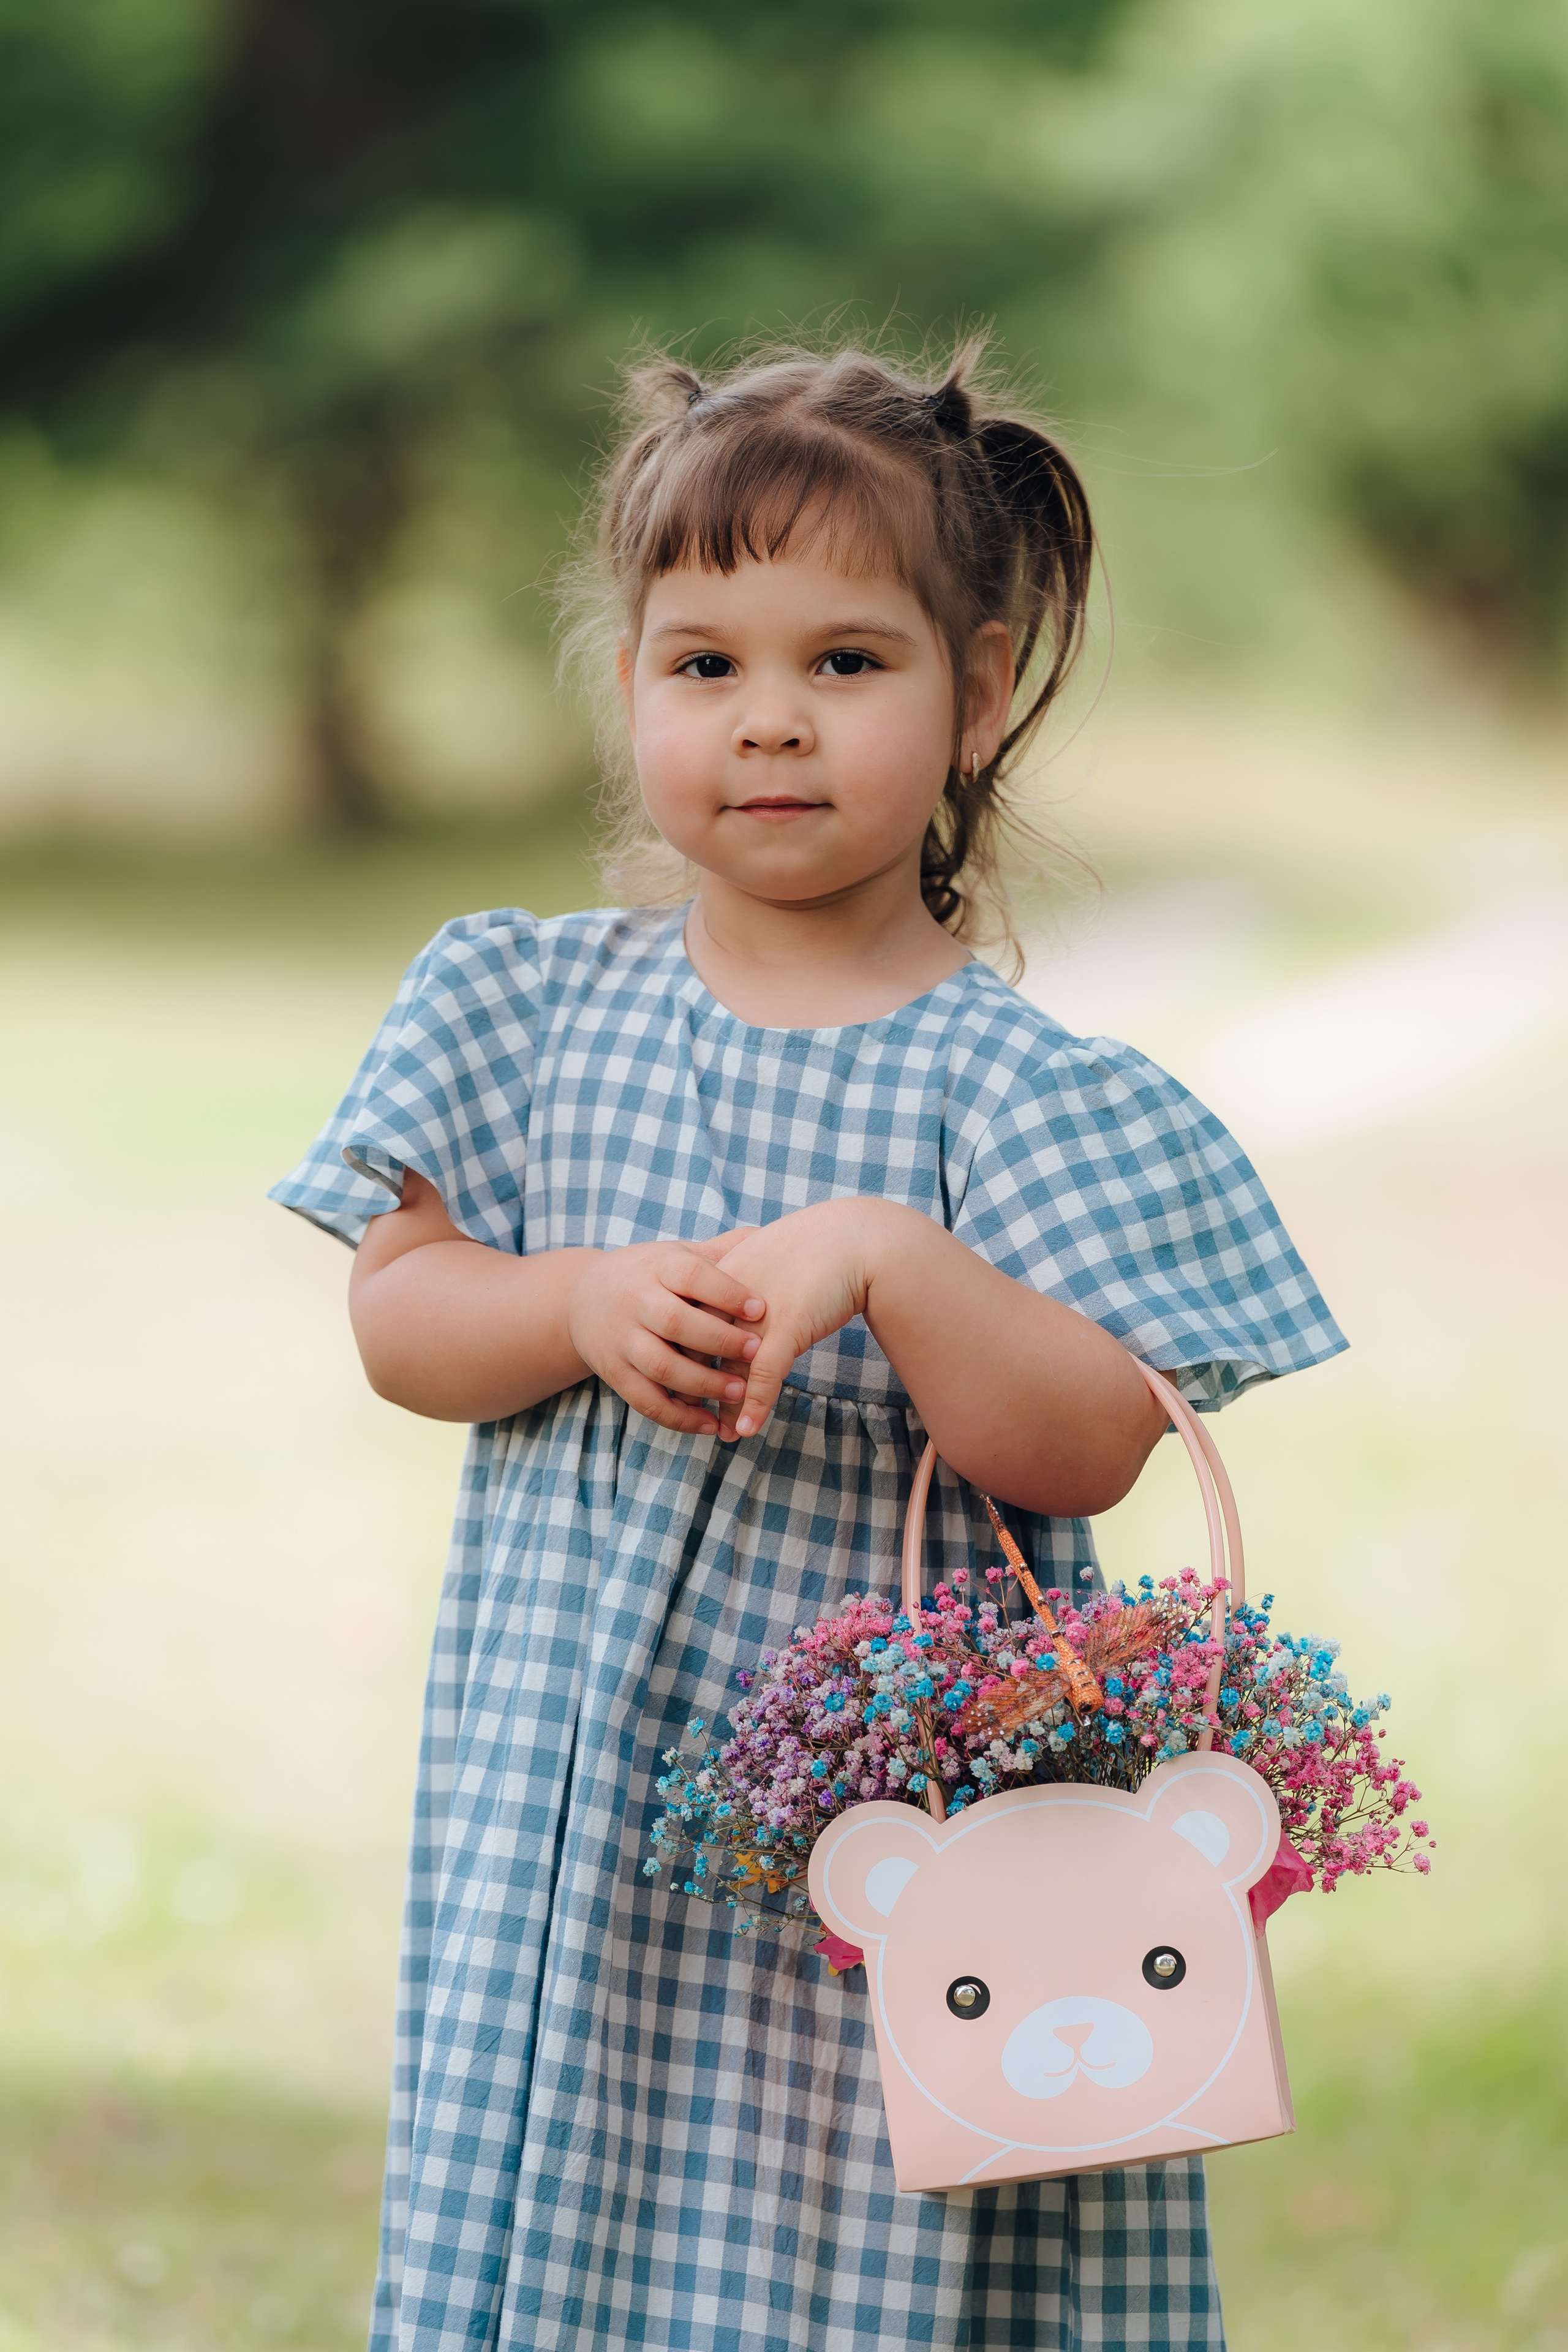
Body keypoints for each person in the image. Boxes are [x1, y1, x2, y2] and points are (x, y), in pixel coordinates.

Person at [271, 340, 1344, 2352]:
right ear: (632, 691)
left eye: (848, 664)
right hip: (580, 1796)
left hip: (907, 1842)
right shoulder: (525, 1008)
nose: (773, 722)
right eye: (709, 666)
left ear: (981, 693)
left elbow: (1086, 1443)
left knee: (850, 2228)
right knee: (581, 2195)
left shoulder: (1020, 1093)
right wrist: (576, 1302)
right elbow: (401, 1318)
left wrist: (895, 1260)